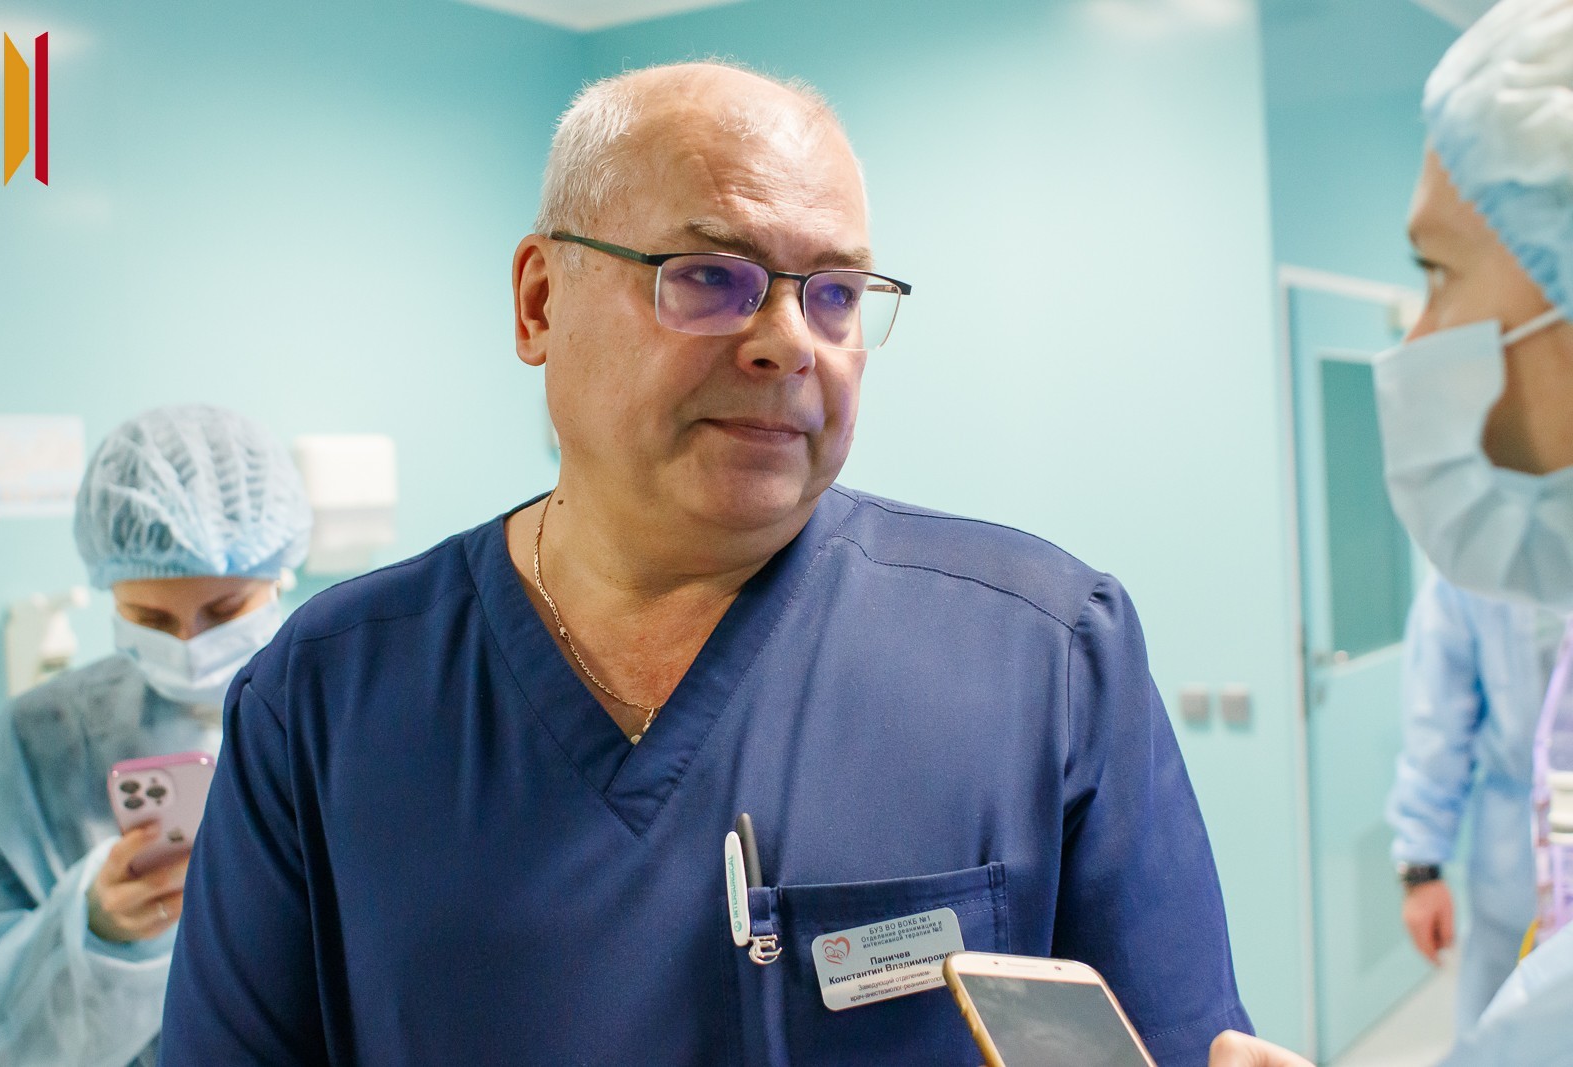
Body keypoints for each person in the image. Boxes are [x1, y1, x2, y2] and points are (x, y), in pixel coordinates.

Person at [160, 62, 1251, 1066]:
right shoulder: (327, 697)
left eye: (835, 293)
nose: (790, 341)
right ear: (540, 302)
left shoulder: (1046, 655)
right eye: (712, 277)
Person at [1213, 0, 1573, 1063]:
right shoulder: (1518, 552)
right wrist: (1422, 856)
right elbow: (1442, 695)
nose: (1419, 338)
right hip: (1513, 872)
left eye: (1438, 274)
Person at [0, 404, 310, 1067]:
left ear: (279, 575)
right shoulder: (33, 744)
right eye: (150, 618)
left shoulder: (342, 714)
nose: (189, 644)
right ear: (109, 590)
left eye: (224, 610)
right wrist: (93, 926)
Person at [1387, 573, 1563, 1027]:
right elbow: (1437, 729)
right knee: (1509, 1029)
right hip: (1517, 866)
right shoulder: (1479, 566)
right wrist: (1421, 870)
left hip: (1515, 854)